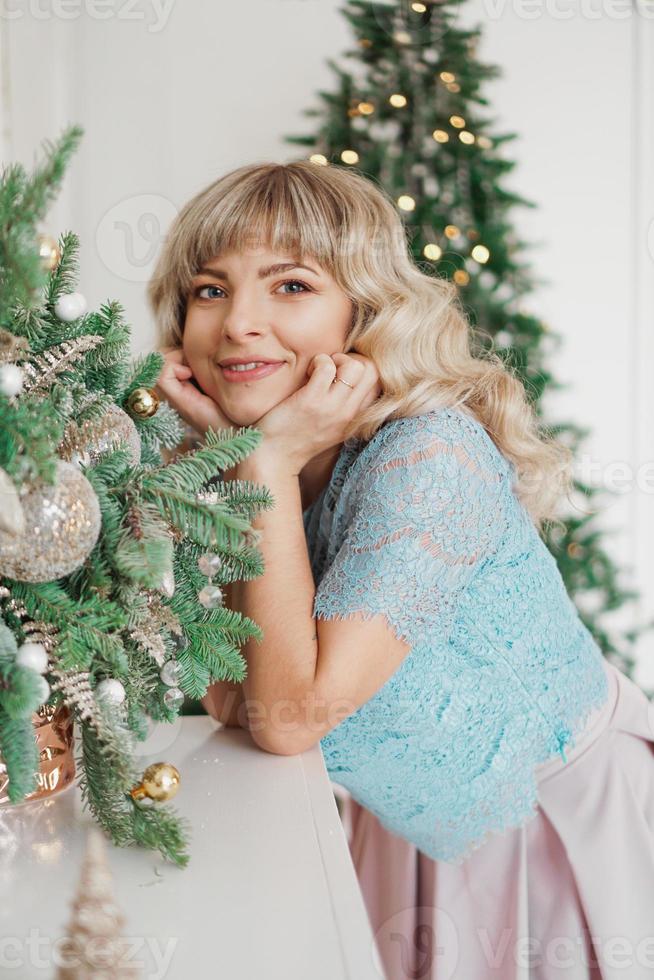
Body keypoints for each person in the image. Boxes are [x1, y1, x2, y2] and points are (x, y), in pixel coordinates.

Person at [148, 160, 654, 980]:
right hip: (408, 825)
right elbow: (234, 698)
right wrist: (251, 467)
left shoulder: (430, 454)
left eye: (290, 286)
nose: (240, 322)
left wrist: (265, 463)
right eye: (210, 290)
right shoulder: (238, 468)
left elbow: (283, 717)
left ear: (364, 311)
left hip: (558, 824)